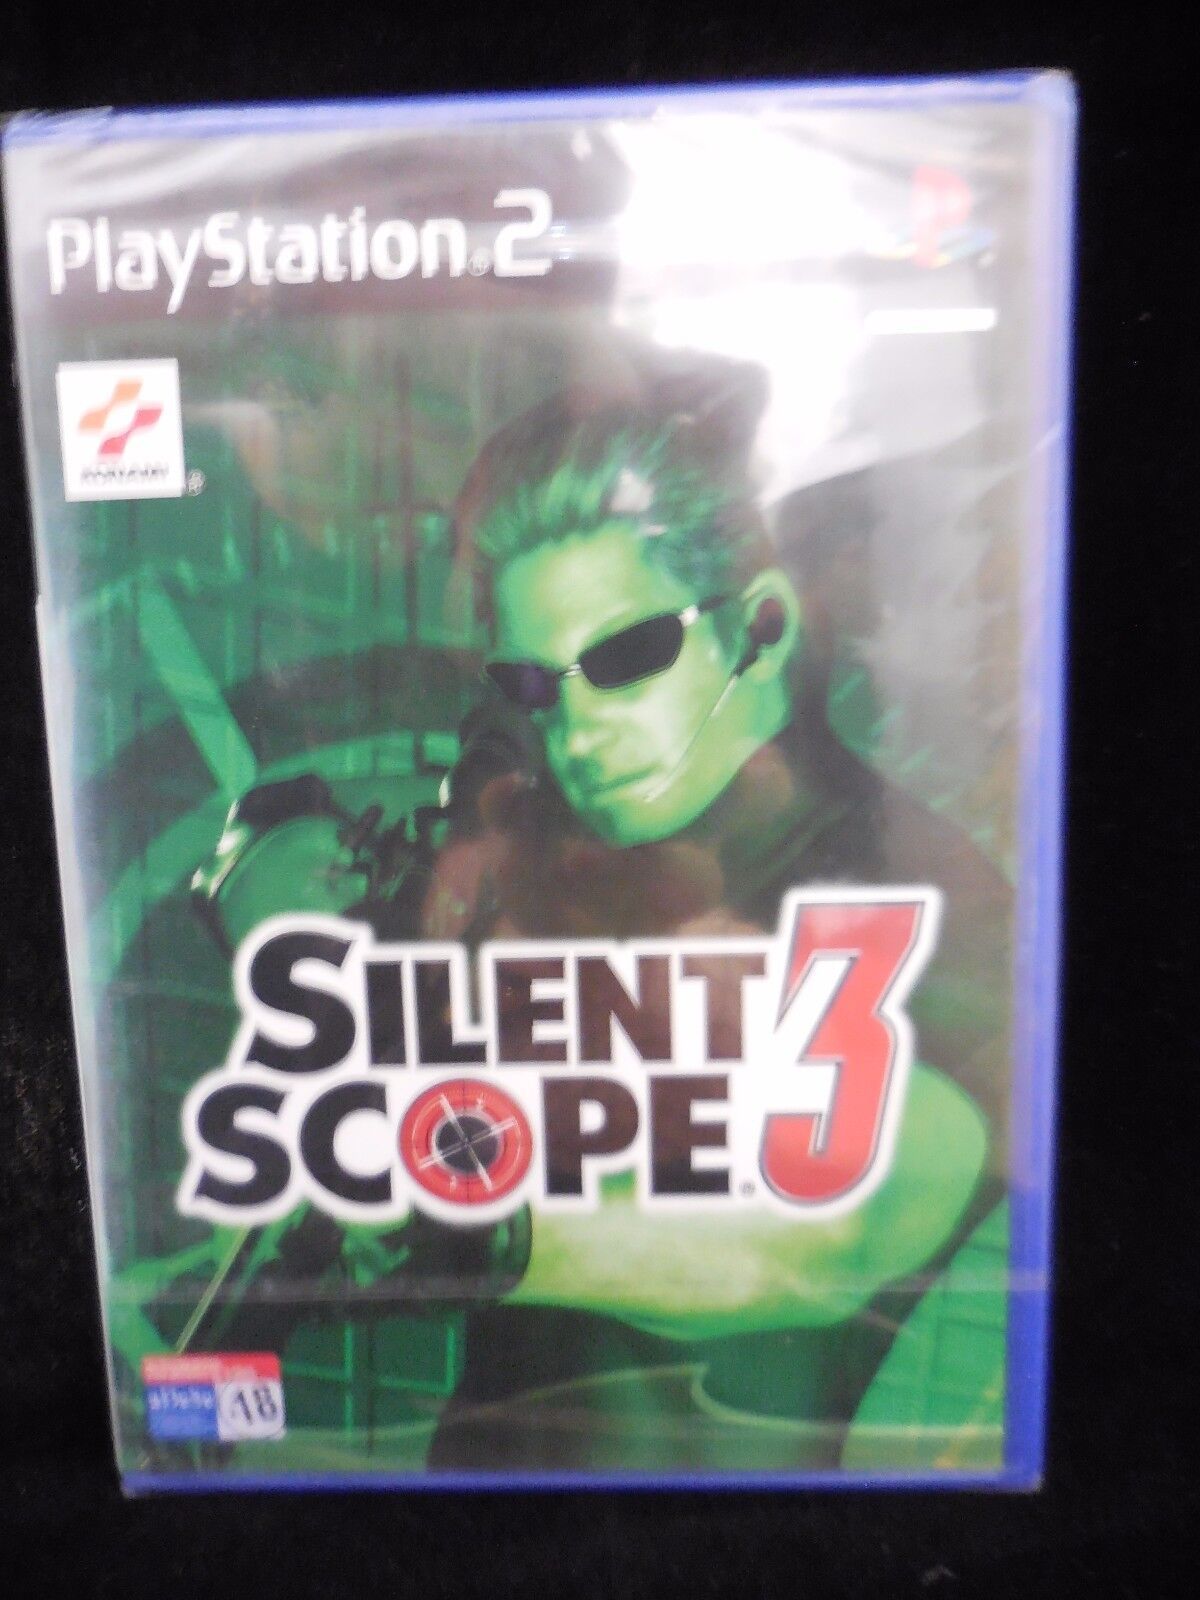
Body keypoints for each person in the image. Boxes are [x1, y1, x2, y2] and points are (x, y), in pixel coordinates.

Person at [123, 365, 1012, 1474]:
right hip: (468, 1505)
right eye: (536, 686)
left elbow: (832, 1234)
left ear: (762, 626)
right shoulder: (548, 840)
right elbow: (325, 871)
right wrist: (270, 875)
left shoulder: (923, 889)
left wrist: (462, 1227)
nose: (579, 729)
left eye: (626, 657)